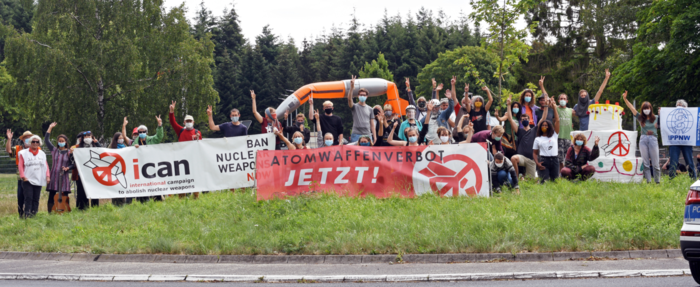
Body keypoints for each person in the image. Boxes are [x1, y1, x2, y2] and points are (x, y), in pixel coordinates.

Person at [622, 91, 660, 183]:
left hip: (653, 139)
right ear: (642, 109)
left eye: (648, 108)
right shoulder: (640, 118)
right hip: (643, 139)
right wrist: (625, 99)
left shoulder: (656, 117)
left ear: (651, 109)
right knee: (645, 163)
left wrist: (661, 112)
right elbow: (631, 108)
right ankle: (648, 181)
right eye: (644, 108)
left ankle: (657, 181)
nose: (646, 110)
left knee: (655, 163)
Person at [18, 135, 49, 218]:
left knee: (36, 198)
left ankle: (34, 215)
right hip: (27, 180)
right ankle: (27, 215)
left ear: (39, 143)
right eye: (33, 141)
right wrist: (23, 176)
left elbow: (45, 166)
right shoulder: (23, 153)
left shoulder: (42, 154)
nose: (35, 143)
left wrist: (48, 176)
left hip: (38, 179)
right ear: (30, 142)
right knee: (28, 198)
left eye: (37, 142)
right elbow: (20, 165)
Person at [666, 99, 697, 180]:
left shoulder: (690, 117)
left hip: (687, 142)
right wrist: (661, 115)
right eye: (677, 106)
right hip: (674, 143)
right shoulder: (672, 117)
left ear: (686, 107)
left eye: (681, 106)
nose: (679, 108)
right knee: (673, 162)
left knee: (690, 162)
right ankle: (671, 181)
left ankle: (693, 180)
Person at [70, 131, 101, 210]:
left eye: (89, 136)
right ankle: (83, 208)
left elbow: (102, 153)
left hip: (94, 173)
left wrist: (97, 143)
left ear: (92, 137)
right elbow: (72, 160)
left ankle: (95, 208)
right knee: (82, 192)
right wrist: (71, 153)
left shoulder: (95, 146)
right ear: (82, 138)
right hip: (82, 174)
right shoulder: (78, 148)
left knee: (95, 191)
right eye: (85, 136)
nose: (87, 138)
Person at [45, 123, 72, 213]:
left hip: (64, 177)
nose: (61, 142)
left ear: (66, 142)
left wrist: (68, 168)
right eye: (59, 141)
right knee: (52, 194)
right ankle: (50, 213)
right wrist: (50, 128)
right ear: (57, 142)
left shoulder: (69, 152)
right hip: (54, 176)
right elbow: (46, 140)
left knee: (64, 195)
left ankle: (64, 211)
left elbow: (74, 164)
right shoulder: (54, 150)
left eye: (62, 140)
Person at [532, 99, 561, 183]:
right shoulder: (538, 139)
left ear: (550, 127)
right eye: (543, 125)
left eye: (546, 125)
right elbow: (534, 153)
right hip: (544, 160)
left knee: (555, 181)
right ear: (540, 127)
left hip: (555, 160)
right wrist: (537, 163)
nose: (544, 126)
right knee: (544, 181)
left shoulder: (554, 135)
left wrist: (554, 107)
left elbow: (557, 121)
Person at [5, 130, 33, 218]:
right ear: (23, 139)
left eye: (29, 137)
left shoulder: (36, 148)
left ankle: (30, 214)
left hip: (32, 177)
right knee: (20, 197)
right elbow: (9, 151)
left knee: (31, 197)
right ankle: (21, 215)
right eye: (26, 138)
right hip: (21, 178)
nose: (28, 139)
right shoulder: (18, 148)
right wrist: (9, 139)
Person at [346, 75, 376, 143]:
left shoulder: (370, 109)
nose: (362, 96)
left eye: (364, 95)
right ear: (358, 96)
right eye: (361, 95)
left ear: (367, 96)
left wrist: (375, 137)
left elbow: (372, 124)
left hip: (367, 135)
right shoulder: (355, 107)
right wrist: (351, 87)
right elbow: (349, 100)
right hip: (356, 135)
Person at [510, 112, 538, 180]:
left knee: (531, 182)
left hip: (531, 159)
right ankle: (515, 179)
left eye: (526, 119)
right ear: (521, 121)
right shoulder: (519, 131)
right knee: (513, 158)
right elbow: (510, 120)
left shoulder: (534, 130)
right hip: (521, 157)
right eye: (522, 119)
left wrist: (546, 107)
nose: (524, 120)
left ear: (529, 120)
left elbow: (543, 118)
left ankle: (523, 179)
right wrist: (508, 105)